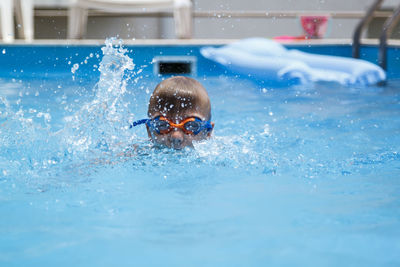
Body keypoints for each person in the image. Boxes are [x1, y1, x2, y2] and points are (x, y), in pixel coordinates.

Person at [131, 76, 214, 149]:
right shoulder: (138, 153)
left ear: (208, 132)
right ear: (149, 130)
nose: (176, 136)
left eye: (191, 125)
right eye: (162, 125)